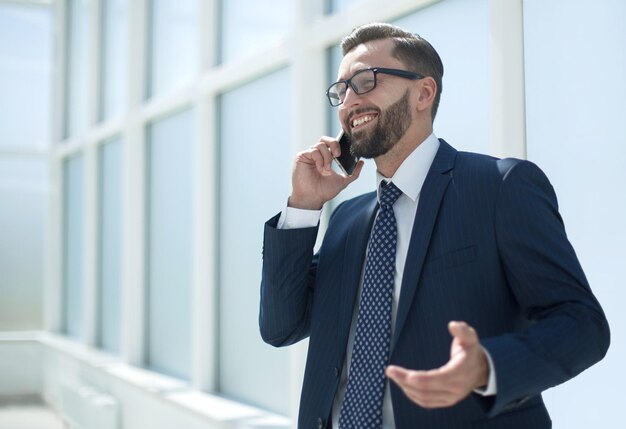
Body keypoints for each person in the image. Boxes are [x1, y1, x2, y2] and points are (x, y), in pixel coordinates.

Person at [259, 22, 609, 429]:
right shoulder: (345, 220)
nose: (350, 100)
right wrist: (303, 207)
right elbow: (281, 327)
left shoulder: (500, 187)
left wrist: (487, 368)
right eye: (342, 90)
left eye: (365, 81)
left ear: (424, 92)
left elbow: (582, 324)